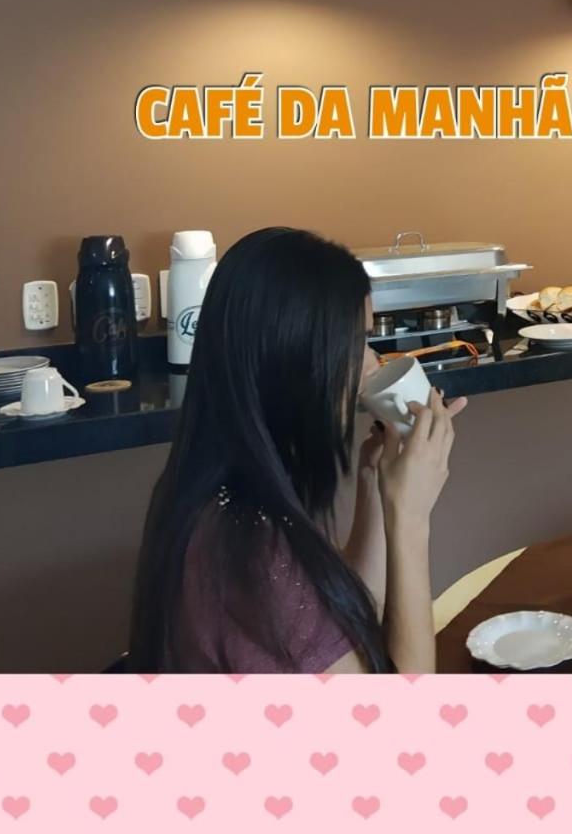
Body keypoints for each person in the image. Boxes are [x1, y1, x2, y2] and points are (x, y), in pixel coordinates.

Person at [128, 226, 464, 673]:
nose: (371, 362)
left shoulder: (218, 494)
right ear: (294, 360)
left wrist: (375, 481)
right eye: (355, 343)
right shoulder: (252, 548)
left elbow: (349, 626)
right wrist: (411, 519)